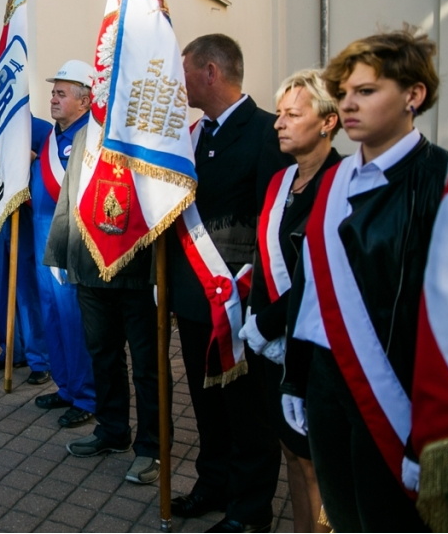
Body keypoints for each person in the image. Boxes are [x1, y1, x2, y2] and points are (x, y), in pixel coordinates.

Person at [283, 28, 448, 532]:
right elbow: (309, 291)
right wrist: (296, 374)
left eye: (367, 91)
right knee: (346, 516)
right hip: (328, 382)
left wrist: (434, 431)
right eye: (345, 92)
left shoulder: (440, 181)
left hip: (397, 392)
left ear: (413, 96)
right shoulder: (334, 181)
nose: (348, 104)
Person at [167, 34, 291, 532]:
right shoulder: (195, 136)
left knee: (248, 415)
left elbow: (274, 223)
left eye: (186, 71)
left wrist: (260, 298)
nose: (181, 82)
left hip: (240, 303)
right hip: (195, 298)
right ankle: (212, 484)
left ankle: (249, 510)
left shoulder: (266, 133)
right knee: (207, 405)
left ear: (212, 72)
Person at [43, 62, 162, 485]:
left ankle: (153, 448)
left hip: (138, 271)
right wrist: (60, 254)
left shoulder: (149, 137)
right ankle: (113, 431)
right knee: (104, 356)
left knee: (148, 366)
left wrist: (164, 276)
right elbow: (69, 197)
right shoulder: (85, 137)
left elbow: (163, 205)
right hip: (91, 269)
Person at [238, 70, 340, 534]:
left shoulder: (343, 185)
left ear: (328, 122)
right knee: (292, 456)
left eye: (293, 114)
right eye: (278, 113)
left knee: (316, 463)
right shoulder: (282, 180)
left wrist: (269, 319)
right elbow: (267, 253)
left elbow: (325, 278)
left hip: (315, 347)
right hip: (273, 345)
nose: (279, 123)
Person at [30, 60, 98, 427]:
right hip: (43, 237)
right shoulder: (51, 137)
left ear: (85, 101)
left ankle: (87, 396)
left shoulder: (92, 137)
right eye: (53, 92)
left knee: (74, 320)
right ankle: (67, 387)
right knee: (52, 317)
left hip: (72, 241)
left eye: (61, 93)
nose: (52, 99)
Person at [0, 117, 52, 385]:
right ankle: (11, 350)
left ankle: (39, 358)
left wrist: (31, 162)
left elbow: (54, 175)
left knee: (27, 292)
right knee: (1, 292)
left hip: (27, 218)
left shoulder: (43, 130)